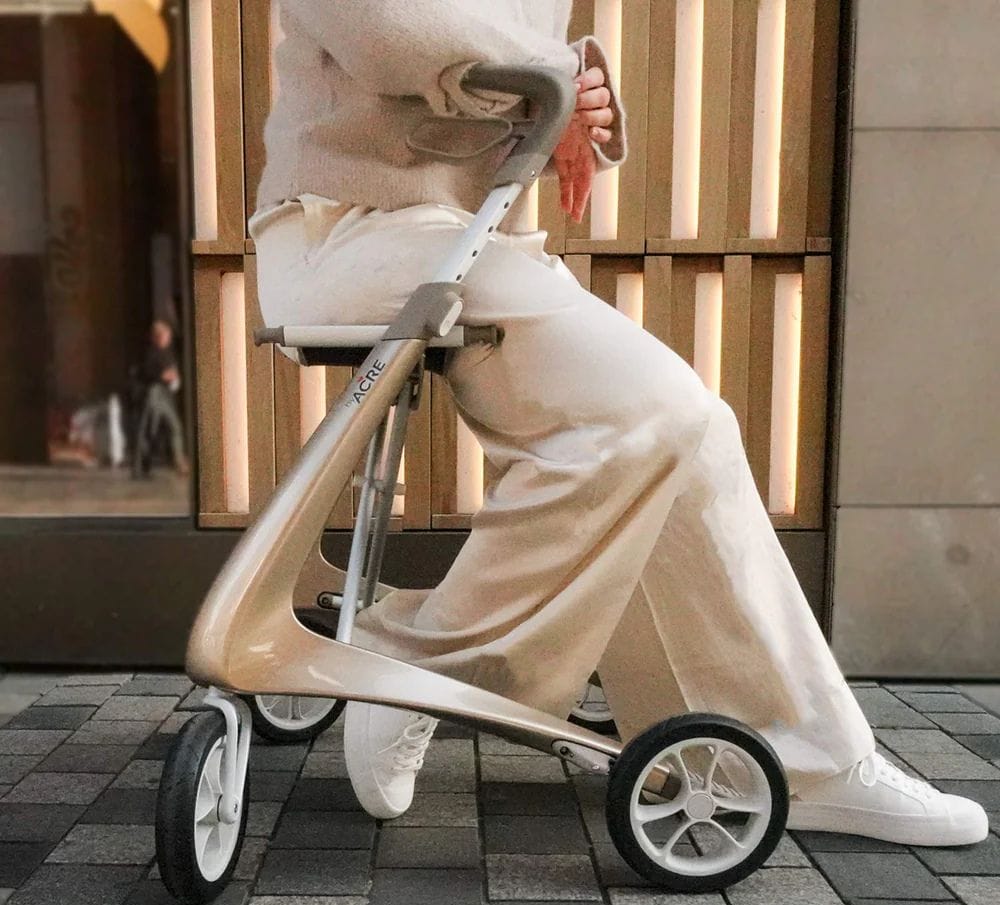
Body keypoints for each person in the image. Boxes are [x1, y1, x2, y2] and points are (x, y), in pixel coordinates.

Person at [249, 0, 987, 847]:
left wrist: (562, 88)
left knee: (692, 436)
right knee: (653, 410)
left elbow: (490, 55)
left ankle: (793, 757)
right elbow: (392, 32)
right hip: (350, 235)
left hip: (448, 238)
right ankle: (419, 663)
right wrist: (554, 83)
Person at [136, 320, 189, 476]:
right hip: (156, 394)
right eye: (165, 336)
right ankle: (143, 465)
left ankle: (178, 462)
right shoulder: (152, 353)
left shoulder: (168, 353)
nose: (168, 338)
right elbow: (146, 372)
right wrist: (162, 376)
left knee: (170, 428)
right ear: (158, 337)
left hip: (166, 394)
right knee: (153, 430)